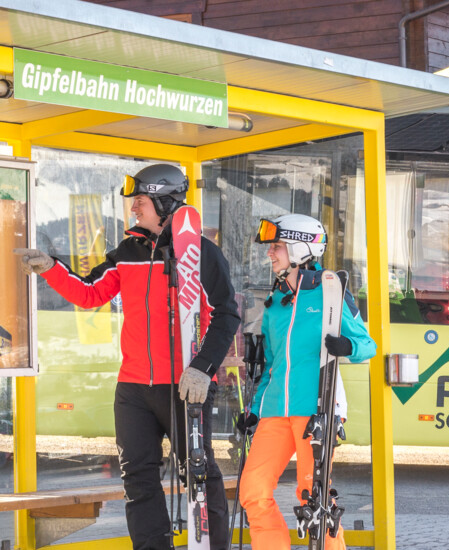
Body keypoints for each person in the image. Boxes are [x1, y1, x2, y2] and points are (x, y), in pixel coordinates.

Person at [14, 164, 240, 550]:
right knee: (137, 480)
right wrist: (52, 268)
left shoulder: (203, 253)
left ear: (164, 202)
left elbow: (226, 314)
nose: (134, 208)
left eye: (140, 201)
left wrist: (203, 368)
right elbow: (90, 292)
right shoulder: (127, 252)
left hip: (186, 385)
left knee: (199, 475)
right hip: (134, 387)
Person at [238, 213, 376, 550]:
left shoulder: (331, 292)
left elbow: (367, 345)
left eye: (278, 246)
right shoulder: (274, 305)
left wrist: (348, 346)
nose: (270, 253)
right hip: (275, 411)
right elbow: (272, 366)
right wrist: (255, 409)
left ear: (301, 248)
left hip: (317, 408)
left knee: (314, 495)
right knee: (253, 489)